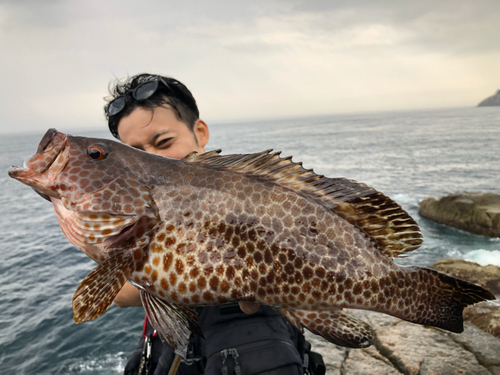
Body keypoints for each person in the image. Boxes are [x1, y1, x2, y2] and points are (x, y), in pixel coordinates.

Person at [104, 73, 325, 375]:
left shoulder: (244, 197)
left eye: (164, 141)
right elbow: (118, 295)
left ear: (200, 131)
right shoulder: (157, 209)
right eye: (137, 154)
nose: (150, 161)